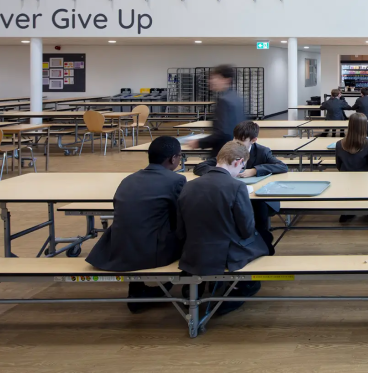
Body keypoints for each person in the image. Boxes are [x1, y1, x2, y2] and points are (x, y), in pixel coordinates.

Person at [86, 136, 186, 314]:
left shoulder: (129, 179)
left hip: (116, 248)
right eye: (180, 156)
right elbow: (179, 216)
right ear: (173, 158)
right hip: (148, 252)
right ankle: (189, 291)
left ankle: (138, 290)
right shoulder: (175, 180)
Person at [177, 141, 269, 317]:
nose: (241, 170)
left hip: (193, 251)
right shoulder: (237, 187)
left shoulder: (189, 185)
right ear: (237, 161)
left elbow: (180, 228)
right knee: (264, 239)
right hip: (225, 255)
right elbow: (246, 229)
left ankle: (199, 287)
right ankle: (231, 296)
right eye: (242, 165)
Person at [192, 121, 289, 254]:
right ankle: (241, 240)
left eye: (242, 140)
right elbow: (200, 167)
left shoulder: (262, 151)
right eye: (235, 138)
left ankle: (262, 242)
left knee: (258, 207)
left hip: (258, 197)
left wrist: (255, 170)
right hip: (234, 194)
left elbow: (283, 167)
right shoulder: (230, 150)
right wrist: (224, 172)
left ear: (254, 140)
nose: (237, 142)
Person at [185, 65, 245, 154]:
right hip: (236, 149)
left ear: (227, 80)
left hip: (223, 152)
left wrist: (199, 143)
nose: (211, 81)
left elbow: (222, 133)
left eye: (216, 78)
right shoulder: (236, 98)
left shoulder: (224, 101)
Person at [335, 113, 368, 223]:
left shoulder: (339, 144)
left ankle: (347, 212)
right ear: (364, 126)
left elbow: (338, 165)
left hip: (345, 177)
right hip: (364, 178)